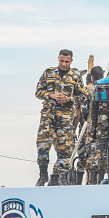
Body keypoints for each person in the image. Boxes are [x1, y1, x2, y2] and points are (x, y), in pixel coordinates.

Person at [35, 49, 86, 186]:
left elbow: (83, 97)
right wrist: (51, 95)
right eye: (61, 61)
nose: (64, 64)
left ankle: (63, 177)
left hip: (65, 117)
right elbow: (38, 92)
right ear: (58, 59)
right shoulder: (48, 72)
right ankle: (43, 176)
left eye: (67, 61)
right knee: (42, 146)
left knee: (65, 149)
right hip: (48, 115)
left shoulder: (76, 76)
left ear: (71, 61)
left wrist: (69, 99)